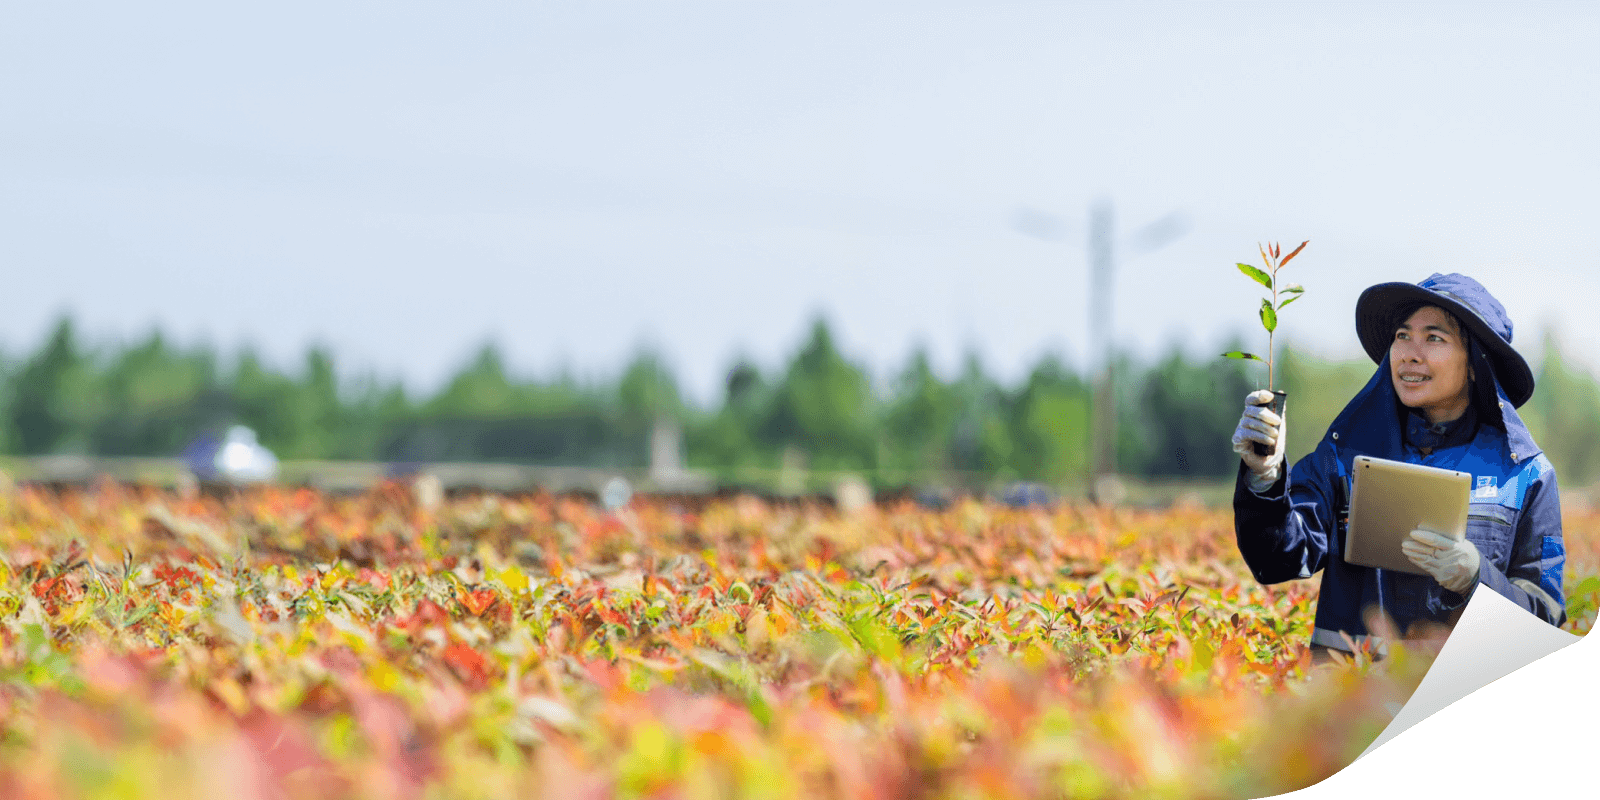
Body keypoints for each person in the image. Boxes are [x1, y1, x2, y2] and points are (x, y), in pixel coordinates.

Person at [1230, 273, 1566, 664]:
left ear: (1476, 363)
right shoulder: (1343, 455)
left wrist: (1477, 578)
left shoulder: (1525, 474)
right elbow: (1277, 559)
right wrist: (1265, 478)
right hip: (1348, 695)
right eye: (1403, 335)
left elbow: (1543, 621)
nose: (1409, 353)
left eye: (1434, 338)